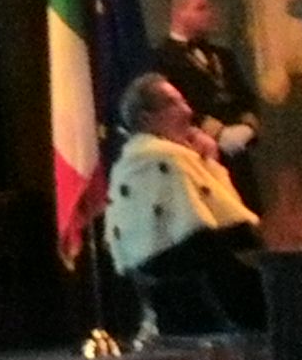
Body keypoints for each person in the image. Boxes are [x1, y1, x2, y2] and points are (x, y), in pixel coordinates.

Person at [101, 74, 266, 332]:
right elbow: (215, 230)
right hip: (190, 293)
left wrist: (207, 159)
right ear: (147, 119)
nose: (188, 111)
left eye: (184, 102)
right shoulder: (161, 158)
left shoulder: (149, 158)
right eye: (173, 104)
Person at [151, 0, 262, 211]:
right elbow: (170, 107)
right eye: (200, 8)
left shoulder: (223, 55)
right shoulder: (160, 58)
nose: (209, 13)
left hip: (236, 156)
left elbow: (245, 96)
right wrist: (217, 132)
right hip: (197, 156)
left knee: (245, 214)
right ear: (179, 13)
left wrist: (248, 127)